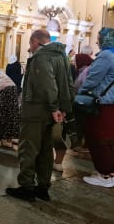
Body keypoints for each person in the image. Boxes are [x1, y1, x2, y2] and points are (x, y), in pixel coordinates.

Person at [6, 29, 74, 202]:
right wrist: (63, 108)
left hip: (36, 110)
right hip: (53, 112)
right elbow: (68, 83)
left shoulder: (40, 56)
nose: (30, 47)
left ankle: (26, 187)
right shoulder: (61, 56)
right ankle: (42, 187)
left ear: (36, 41)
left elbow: (47, 84)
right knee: (45, 149)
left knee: (28, 147)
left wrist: (53, 107)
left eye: (30, 43)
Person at [79, 27, 114, 187]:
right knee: (108, 140)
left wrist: (80, 93)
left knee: (98, 139)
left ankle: (105, 176)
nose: (96, 41)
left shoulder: (106, 55)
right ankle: (110, 173)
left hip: (101, 103)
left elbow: (92, 79)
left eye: (98, 38)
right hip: (110, 103)